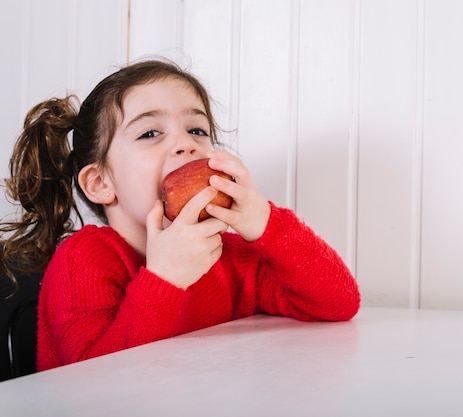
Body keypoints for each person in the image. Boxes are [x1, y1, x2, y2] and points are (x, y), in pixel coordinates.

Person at [1, 58, 360, 372]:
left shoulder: (227, 257)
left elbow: (338, 302)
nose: (186, 143)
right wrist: (165, 280)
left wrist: (264, 222)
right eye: (151, 133)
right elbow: (96, 384)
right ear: (100, 183)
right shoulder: (84, 260)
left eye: (197, 130)